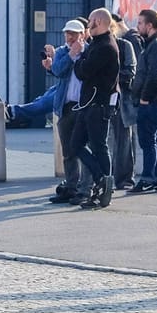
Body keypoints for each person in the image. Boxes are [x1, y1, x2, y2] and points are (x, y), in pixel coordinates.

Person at [67, 8, 121, 209]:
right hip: (89, 102)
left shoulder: (105, 46)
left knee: (99, 146)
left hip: (98, 104)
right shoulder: (97, 44)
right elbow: (84, 69)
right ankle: (102, 179)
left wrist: (79, 57)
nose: (87, 24)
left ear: (98, 21)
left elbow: (83, 72)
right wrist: (82, 58)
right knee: (76, 145)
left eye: (90, 20)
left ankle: (103, 186)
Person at [128, 8, 157, 192]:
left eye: (140, 23)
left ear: (150, 25)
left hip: (154, 101)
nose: (137, 26)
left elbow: (154, 75)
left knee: (148, 141)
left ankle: (147, 178)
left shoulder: (156, 45)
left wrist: (145, 98)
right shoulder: (153, 43)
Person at [47, 21, 92, 204]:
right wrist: (71, 55)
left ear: (82, 34)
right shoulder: (62, 52)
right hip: (66, 106)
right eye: (67, 34)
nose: (70, 37)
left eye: (73, 34)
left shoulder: (90, 51)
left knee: (84, 148)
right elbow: (57, 70)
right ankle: (71, 186)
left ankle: (86, 188)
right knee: (68, 150)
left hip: (83, 106)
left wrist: (79, 54)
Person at [109, 9, 140, 191]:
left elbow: (131, 72)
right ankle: (105, 177)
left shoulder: (126, 45)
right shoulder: (96, 46)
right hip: (102, 99)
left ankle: (125, 178)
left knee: (124, 140)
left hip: (123, 99)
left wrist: (110, 77)